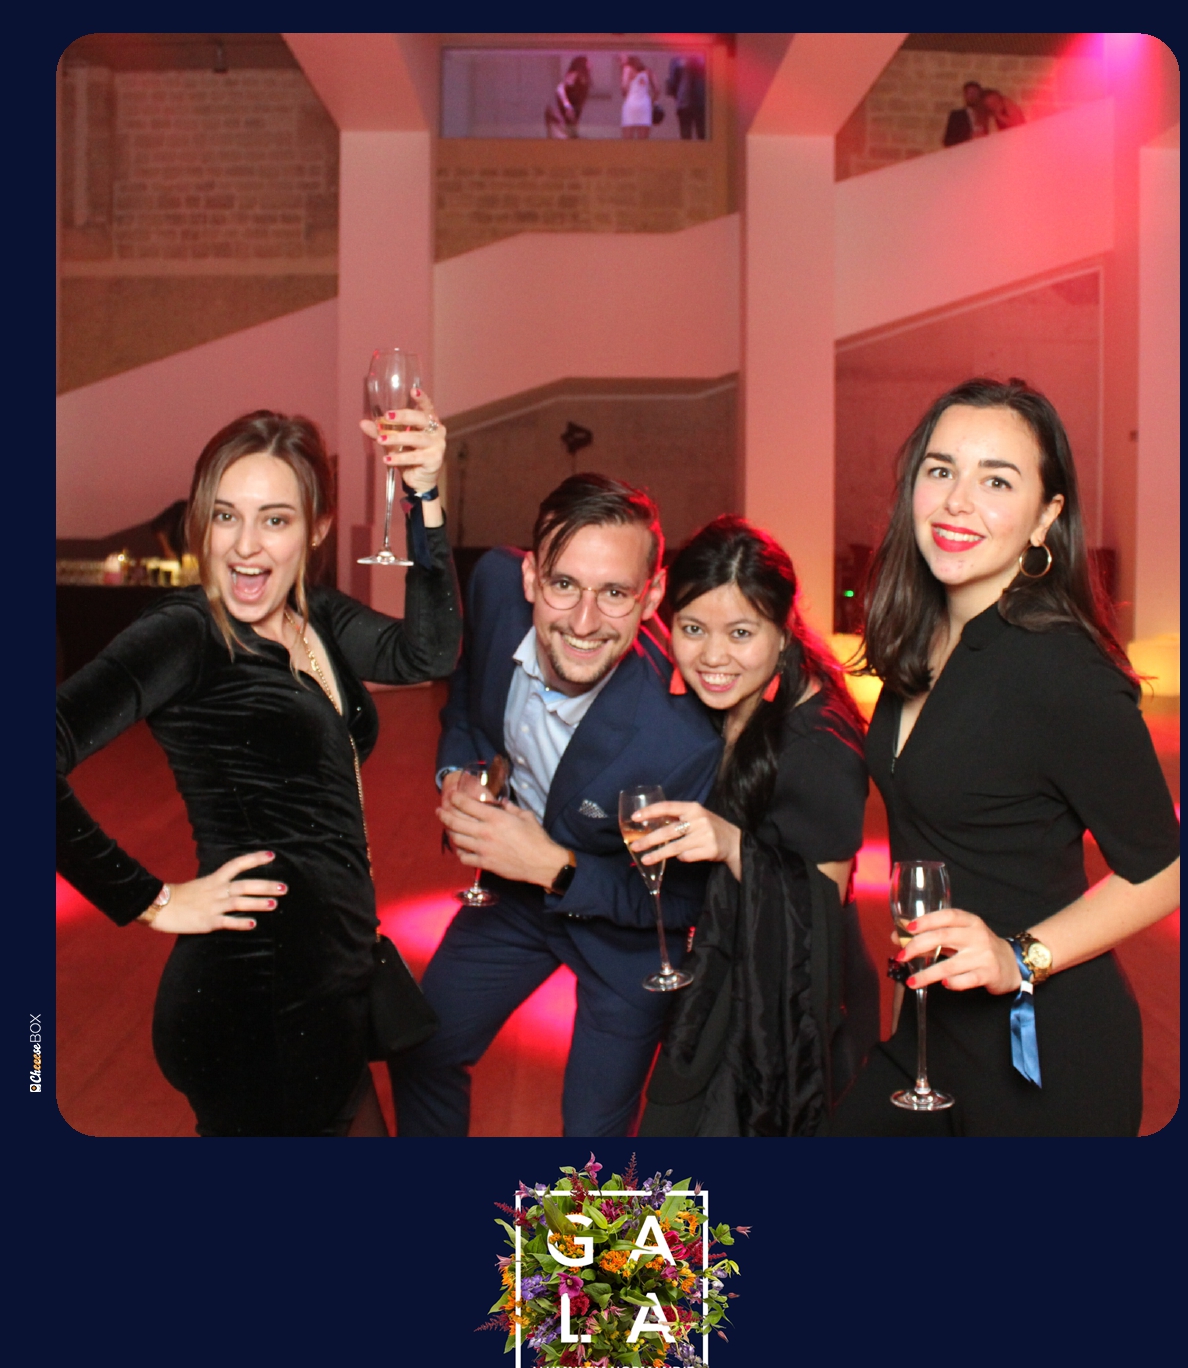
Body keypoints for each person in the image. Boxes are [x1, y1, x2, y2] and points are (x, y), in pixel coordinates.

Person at [56, 402, 460, 1136]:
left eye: (275, 519)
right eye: (225, 516)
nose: (245, 545)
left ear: (317, 528)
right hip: (253, 1000)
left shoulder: (314, 616)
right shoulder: (186, 633)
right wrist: (152, 901)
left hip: (325, 986)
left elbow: (426, 654)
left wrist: (425, 498)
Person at [829, 377, 1179, 1137]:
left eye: (996, 481)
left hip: (1043, 1060)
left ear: (1045, 517)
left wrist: (1020, 957)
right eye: (941, 470)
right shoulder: (920, 641)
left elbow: (1165, 868)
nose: (957, 501)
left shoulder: (1061, 668)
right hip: (929, 1036)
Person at [388, 473, 722, 1138]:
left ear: (652, 595)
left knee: (592, 1138)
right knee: (422, 1047)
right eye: (564, 585)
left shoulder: (683, 736)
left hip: (621, 932)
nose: (583, 622)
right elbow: (468, 699)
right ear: (530, 577)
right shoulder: (492, 585)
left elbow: (684, 901)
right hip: (511, 900)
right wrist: (458, 772)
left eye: (615, 593)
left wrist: (553, 867)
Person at [631, 519, 879, 1136]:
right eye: (693, 629)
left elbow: (822, 905)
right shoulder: (733, 700)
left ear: (783, 630)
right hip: (735, 979)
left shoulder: (819, 748)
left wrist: (731, 843)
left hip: (800, 1013)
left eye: (741, 633)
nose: (713, 657)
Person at [546, 55, 591, 138]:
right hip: (559, 113)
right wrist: (567, 105)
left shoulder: (584, 81)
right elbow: (560, 89)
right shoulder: (574, 75)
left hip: (570, 116)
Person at [666, 53, 706, 140]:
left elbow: (671, 84)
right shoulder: (703, 59)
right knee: (703, 135)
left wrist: (677, 97)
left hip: (684, 102)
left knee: (686, 136)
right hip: (701, 101)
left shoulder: (676, 60)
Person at [620, 56, 658, 139]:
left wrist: (625, 93)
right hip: (645, 104)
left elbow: (624, 87)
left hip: (631, 103)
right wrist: (652, 102)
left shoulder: (627, 69)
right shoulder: (648, 71)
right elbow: (657, 90)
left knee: (627, 138)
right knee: (643, 140)